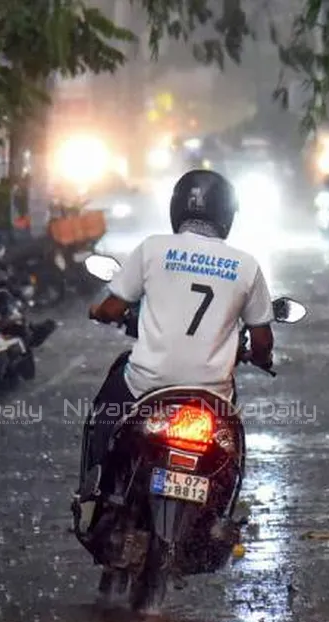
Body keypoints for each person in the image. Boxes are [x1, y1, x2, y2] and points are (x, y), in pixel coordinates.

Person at [79, 169, 275, 498]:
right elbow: (262, 340)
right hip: (211, 395)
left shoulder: (152, 249)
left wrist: (98, 313)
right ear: (226, 215)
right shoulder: (246, 266)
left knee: (104, 418)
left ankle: (96, 494)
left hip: (145, 385)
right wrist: (260, 357)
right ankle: (220, 504)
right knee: (231, 452)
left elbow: (112, 309)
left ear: (177, 208)